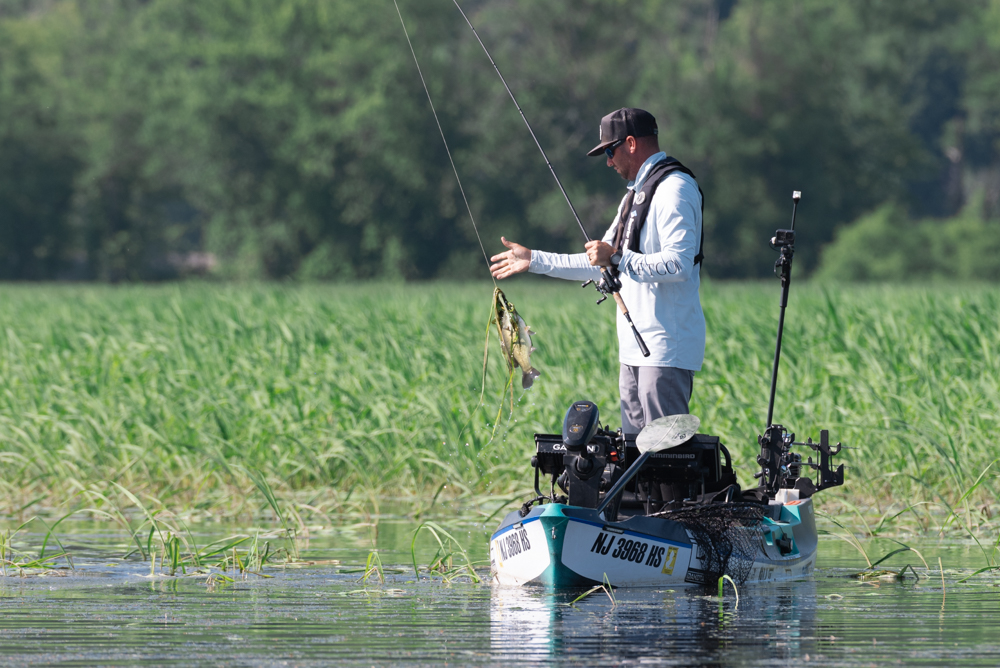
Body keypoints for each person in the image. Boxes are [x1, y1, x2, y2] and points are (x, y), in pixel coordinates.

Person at [489, 107, 705, 436]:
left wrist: (618, 258)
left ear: (631, 143)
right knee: (633, 456)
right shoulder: (633, 197)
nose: (608, 161)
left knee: (665, 455)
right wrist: (533, 259)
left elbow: (679, 264)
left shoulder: (675, 188)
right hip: (633, 352)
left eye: (609, 151)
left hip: (665, 350)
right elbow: (598, 262)